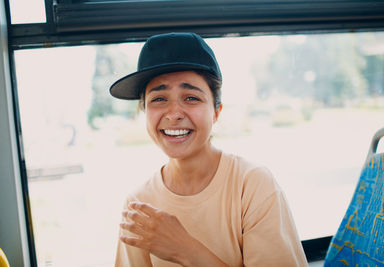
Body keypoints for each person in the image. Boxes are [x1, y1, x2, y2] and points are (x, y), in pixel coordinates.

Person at [110, 32, 308, 267]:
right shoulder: (139, 204)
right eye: (159, 99)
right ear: (144, 111)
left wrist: (185, 249)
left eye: (191, 98)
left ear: (216, 112)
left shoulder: (252, 184)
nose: (173, 114)